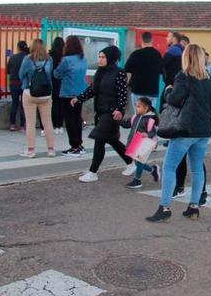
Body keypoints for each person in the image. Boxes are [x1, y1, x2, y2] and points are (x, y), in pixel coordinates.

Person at [146, 44, 211, 222]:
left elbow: (174, 100)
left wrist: (169, 90)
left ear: (186, 57)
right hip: (203, 131)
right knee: (197, 169)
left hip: (185, 129)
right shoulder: (209, 78)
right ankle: (194, 207)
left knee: (169, 167)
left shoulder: (183, 76)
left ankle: (164, 207)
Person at [74, 46, 133, 182]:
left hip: (112, 113)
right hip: (101, 111)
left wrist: (119, 109)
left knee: (99, 138)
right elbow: (92, 90)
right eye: (99, 57)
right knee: (113, 141)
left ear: (110, 58)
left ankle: (93, 172)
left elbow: (122, 94)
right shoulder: (100, 72)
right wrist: (79, 98)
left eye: (103, 57)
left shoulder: (119, 73)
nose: (100, 59)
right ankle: (131, 163)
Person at [18, 39, 56, 158]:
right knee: (48, 123)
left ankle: (31, 150)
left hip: (30, 93)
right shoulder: (49, 59)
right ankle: (51, 150)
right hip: (46, 94)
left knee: (30, 123)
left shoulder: (28, 59)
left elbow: (21, 74)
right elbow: (50, 75)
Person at [54, 35, 88, 156]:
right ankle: (79, 144)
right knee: (77, 118)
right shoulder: (83, 59)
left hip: (68, 93)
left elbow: (57, 74)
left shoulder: (66, 60)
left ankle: (74, 146)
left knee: (70, 120)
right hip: (80, 93)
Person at [122, 97, 161, 189]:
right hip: (135, 142)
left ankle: (137, 180)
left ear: (146, 108)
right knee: (137, 162)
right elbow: (126, 125)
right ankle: (153, 170)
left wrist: (147, 134)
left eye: (139, 106)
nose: (136, 108)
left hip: (145, 144)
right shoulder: (135, 117)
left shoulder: (150, 119)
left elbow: (153, 132)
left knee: (139, 161)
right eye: (136, 106)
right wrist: (118, 120)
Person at [124, 31, 162, 111]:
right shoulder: (157, 55)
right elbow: (162, 71)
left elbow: (127, 70)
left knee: (138, 117)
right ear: (152, 40)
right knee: (150, 118)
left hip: (137, 91)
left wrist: (126, 85)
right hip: (152, 91)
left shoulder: (135, 54)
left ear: (142, 40)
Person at [7, 40, 29, 132]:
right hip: (24, 84)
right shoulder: (28, 58)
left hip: (13, 83)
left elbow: (8, 71)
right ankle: (22, 126)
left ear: (18, 47)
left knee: (14, 103)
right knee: (24, 105)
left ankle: (12, 124)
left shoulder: (12, 58)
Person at [49, 37, 65, 135]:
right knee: (62, 104)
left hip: (54, 81)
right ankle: (60, 125)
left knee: (55, 103)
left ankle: (55, 125)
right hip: (63, 82)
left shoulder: (50, 56)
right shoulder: (65, 56)